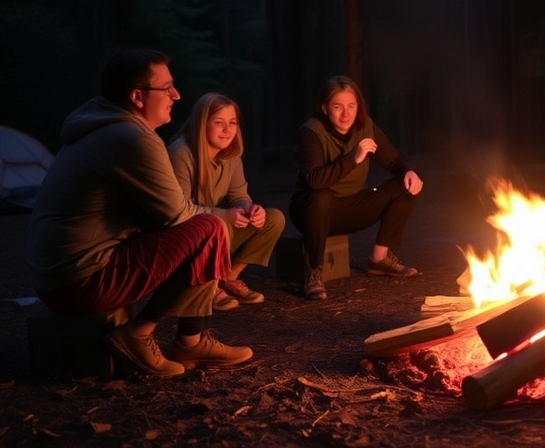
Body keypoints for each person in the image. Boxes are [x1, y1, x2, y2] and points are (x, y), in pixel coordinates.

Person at [24, 49, 253, 377]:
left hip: (57, 274)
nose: (176, 95)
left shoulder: (104, 127)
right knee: (210, 228)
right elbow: (175, 214)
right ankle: (140, 334)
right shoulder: (132, 138)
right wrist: (225, 216)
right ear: (137, 96)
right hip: (78, 282)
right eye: (167, 88)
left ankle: (190, 341)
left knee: (204, 226)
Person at [289, 76, 424, 300]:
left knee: (405, 185)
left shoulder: (366, 127)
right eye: (337, 106)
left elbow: (394, 160)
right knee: (321, 197)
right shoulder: (311, 132)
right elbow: (314, 181)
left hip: (350, 206)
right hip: (311, 210)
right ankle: (313, 272)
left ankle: (379, 259)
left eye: (351, 106)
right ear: (324, 108)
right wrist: (354, 158)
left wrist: (410, 171)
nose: (346, 113)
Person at [168, 93, 285, 311]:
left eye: (232, 123)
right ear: (202, 123)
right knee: (219, 224)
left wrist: (248, 209)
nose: (227, 130)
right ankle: (207, 287)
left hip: (215, 226)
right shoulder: (181, 153)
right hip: (185, 236)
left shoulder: (231, 154)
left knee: (273, 219)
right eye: (219, 123)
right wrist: (224, 216)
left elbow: (239, 195)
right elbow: (178, 211)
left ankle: (228, 278)